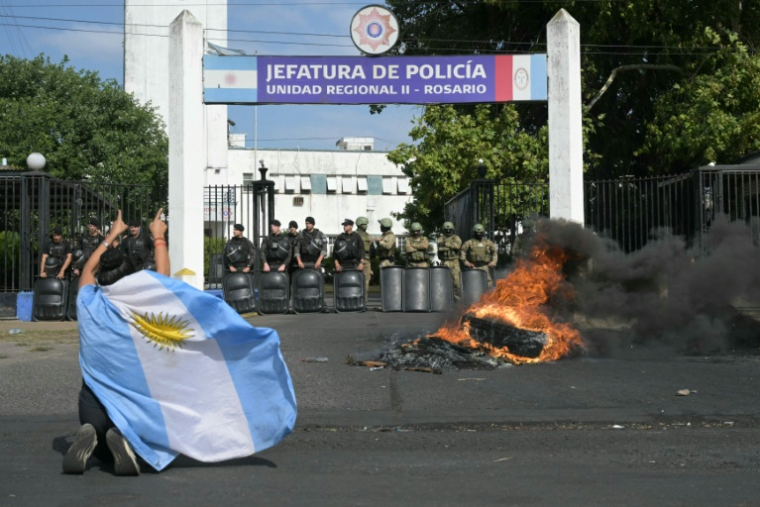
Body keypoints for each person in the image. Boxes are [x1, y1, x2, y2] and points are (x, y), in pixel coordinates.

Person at [63, 209, 168, 476]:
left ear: (102, 277)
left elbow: (88, 268)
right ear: (131, 276)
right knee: (156, 443)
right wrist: (158, 236)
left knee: (99, 442)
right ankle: (125, 439)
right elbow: (164, 276)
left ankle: (95, 434)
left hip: (91, 403)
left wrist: (111, 235)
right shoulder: (141, 307)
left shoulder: (87, 301)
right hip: (130, 401)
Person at [460, 223, 498, 287]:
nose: (479, 234)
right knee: (474, 283)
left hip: (485, 266)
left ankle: (488, 296)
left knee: (488, 283)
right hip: (473, 266)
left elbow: (494, 252)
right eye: (477, 232)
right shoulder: (469, 242)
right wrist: (466, 262)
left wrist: (493, 262)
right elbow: (462, 252)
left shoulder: (488, 242)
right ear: (474, 233)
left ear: (483, 232)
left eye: (480, 232)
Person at [437, 221, 463, 300]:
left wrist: (448, 245)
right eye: (446, 230)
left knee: (457, 283)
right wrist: (451, 246)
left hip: (454, 262)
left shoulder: (456, 238)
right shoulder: (440, 238)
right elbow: (440, 248)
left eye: (450, 229)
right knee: (443, 282)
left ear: (452, 230)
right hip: (445, 261)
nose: (448, 231)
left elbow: (458, 246)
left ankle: (458, 301)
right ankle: (445, 300)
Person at [355, 216, 373, 302]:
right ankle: (356, 300)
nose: (366, 226)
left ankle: (364, 301)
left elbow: (372, 248)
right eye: (364, 224)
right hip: (356, 260)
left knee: (366, 282)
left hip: (367, 260)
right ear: (359, 224)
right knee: (356, 281)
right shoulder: (354, 235)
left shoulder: (368, 235)